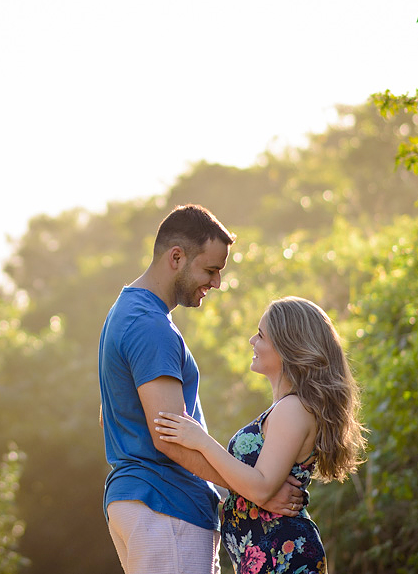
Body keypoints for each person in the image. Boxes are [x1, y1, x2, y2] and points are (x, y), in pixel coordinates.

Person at [99, 205, 307, 574]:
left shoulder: (125, 313)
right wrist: (260, 491)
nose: (216, 283)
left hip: (143, 504)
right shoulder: (150, 326)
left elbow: (109, 416)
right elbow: (170, 437)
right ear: (176, 257)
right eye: (210, 270)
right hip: (166, 506)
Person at [155, 297, 366, 574]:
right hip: (268, 555)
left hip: (283, 556)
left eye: (261, 335)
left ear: (287, 347)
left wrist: (201, 440)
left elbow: (262, 487)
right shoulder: (288, 408)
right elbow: (254, 484)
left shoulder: (293, 408)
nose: (252, 340)